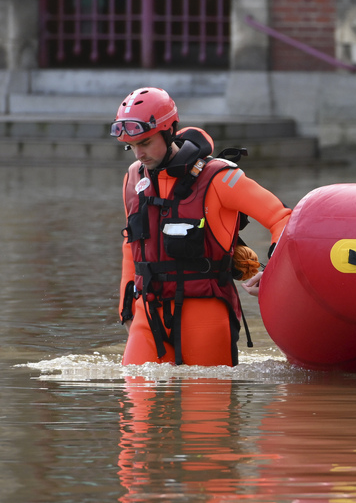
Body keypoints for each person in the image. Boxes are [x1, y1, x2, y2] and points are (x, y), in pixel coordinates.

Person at [113, 86, 292, 367]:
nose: (138, 154)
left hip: (205, 310)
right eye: (131, 145)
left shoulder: (219, 178)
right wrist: (126, 311)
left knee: (207, 396)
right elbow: (131, 248)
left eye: (145, 142)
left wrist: (273, 277)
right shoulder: (133, 179)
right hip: (147, 312)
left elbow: (283, 219)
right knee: (133, 392)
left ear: (169, 131)